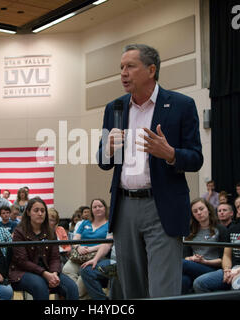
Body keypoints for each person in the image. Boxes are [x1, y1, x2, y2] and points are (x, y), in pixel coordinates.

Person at [97, 44, 203, 298]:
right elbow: (102, 161)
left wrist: (170, 154)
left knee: (162, 290)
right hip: (125, 207)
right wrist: (107, 149)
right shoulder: (115, 108)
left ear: (151, 70)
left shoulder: (181, 105)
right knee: (131, 289)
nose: (123, 73)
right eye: (121, 67)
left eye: (130, 66)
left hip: (161, 206)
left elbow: (196, 158)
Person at [9, 197, 79, 300]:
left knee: (72, 287)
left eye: (43, 210)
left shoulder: (50, 231)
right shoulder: (19, 232)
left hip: (49, 271)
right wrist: (45, 274)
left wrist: (54, 273)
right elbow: (22, 261)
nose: (40, 213)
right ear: (28, 212)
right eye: (36, 210)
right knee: (40, 286)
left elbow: (55, 257)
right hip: (22, 272)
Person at [63, 199, 109, 298]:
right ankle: (80, 296)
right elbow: (75, 238)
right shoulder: (85, 223)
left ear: (105, 208)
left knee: (83, 277)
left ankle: (75, 296)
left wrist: (90, 249)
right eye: (94, 207)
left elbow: (108, 243)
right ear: (91, 210)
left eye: (100, 206)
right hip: (79, 255)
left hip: (97, 256)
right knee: (66, 269)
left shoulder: (109, 225)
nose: (97, 209)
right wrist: (78, 247)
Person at [182, 198, 228, 294]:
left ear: (209, 210)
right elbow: (185, 256)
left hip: (213, 268)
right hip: (193, 266)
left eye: (201, 209)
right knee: (184, 280)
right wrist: (191, 258)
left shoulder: (220, 229)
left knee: (182, 264)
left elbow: (224, 259)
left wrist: (204, 261)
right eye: (195, 211)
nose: (199, 213)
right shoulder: (190, 231)